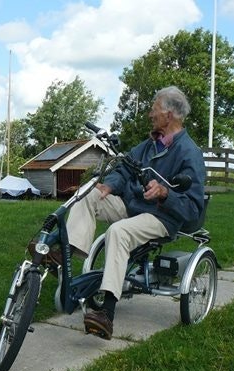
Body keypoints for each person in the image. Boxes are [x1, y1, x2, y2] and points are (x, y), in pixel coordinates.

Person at [48, 86, 206, 340]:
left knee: (119, 232)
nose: (149, 114)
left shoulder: (190, 153)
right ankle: (67, 257)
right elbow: (123, 170)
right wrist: (108, 185)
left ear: (169, 114)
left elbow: (193, 206)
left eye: (154, 109)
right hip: (133, 206)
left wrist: (166, 193)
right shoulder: (147, 146)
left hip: (163, 217)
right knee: (89, 195)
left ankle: (106, 314)